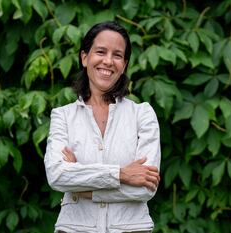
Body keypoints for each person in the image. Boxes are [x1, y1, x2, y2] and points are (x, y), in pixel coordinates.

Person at [44, 21, 161, 233]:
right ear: (84, 57)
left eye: (117, 55)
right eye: (100, 51)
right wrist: (122, 174)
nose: (108, 61)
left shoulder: (142, 114)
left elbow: (145, 188)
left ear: (124, 64)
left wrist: (81, 186)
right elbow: (57, 175)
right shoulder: (63, 116)